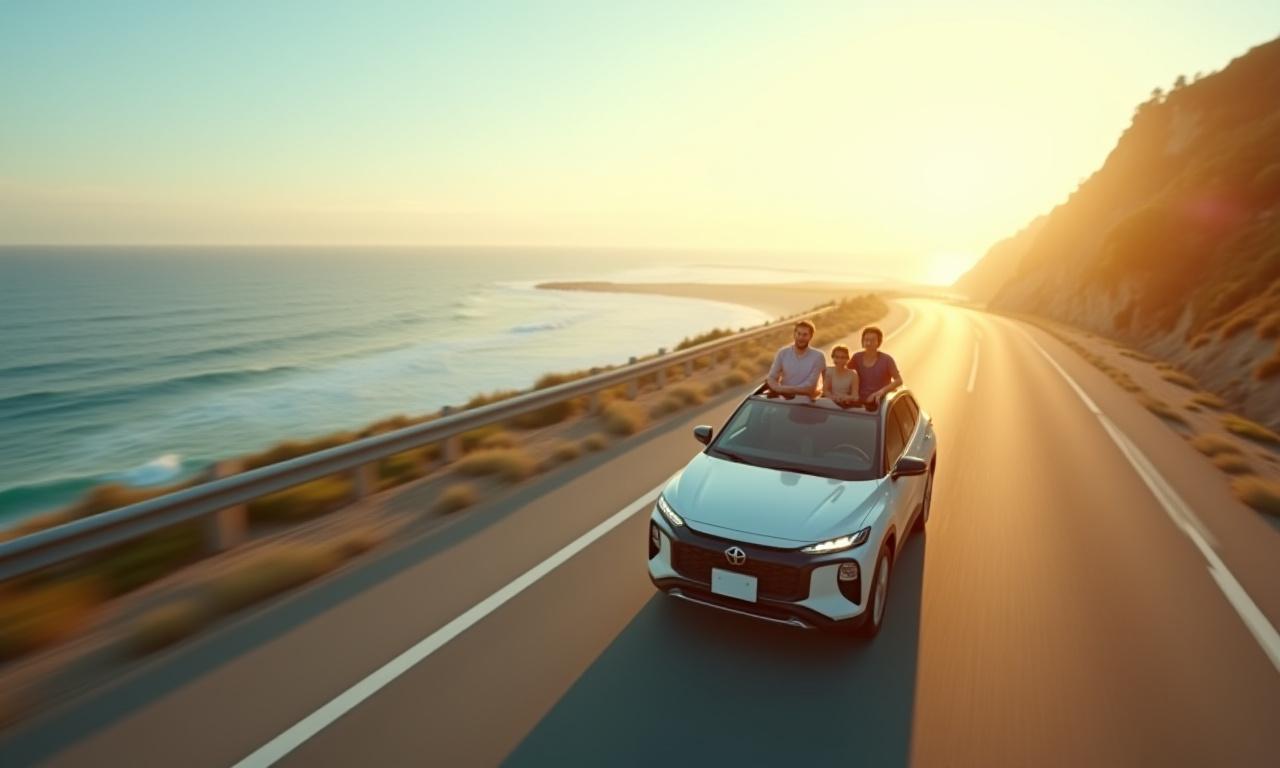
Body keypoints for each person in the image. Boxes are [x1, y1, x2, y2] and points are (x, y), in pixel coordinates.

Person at [765, 320, 825, 398]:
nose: (801, 337)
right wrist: (780, 389)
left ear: (811, 336)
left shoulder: (818, 356)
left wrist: (780, 389)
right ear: (794, 334)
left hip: (807, 403)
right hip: (785, 400)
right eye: (798, 334)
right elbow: (772, 377)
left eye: (805, 335)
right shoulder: (782, 353)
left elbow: (810, 387)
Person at [852, 325, 902, 406]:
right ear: (862, 341)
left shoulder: (887, 360)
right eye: (866, 340)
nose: (868, 343)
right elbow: (845, 373)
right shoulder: (856, 357)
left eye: (872, 340)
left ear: (878, 342)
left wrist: (880, 392)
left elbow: (898, 380)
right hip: (858, 403)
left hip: (880, 404)